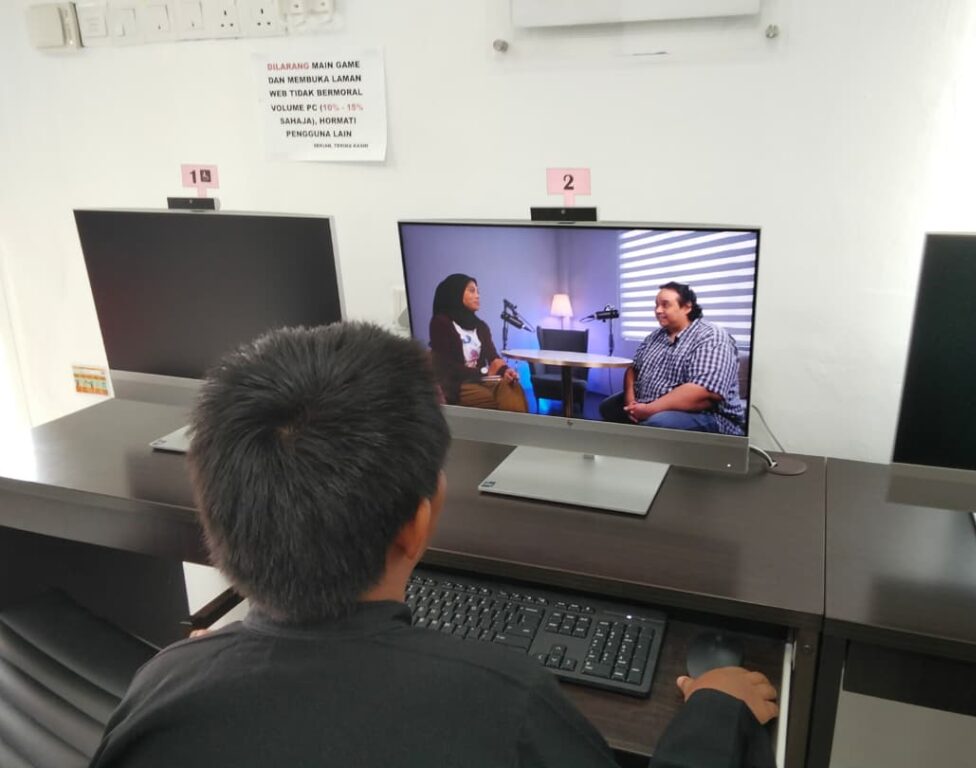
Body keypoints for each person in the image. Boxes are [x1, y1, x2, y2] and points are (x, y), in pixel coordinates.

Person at [90, 323, 777, 768]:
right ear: (417, 525)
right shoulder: (506, 703)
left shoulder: (161, 685)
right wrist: (715, 710)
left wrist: (196, 662)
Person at [600, 282, 746, 435]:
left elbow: (704, 393)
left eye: (665, 305)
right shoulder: (655, 336)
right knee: (608, 407)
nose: (658, 310)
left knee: (657, 423)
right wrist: (631, 403)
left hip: (706, 415)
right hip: (650, 402)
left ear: (687, 307)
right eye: (656, 305)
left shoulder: (712, 337)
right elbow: (633, 369)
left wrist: (648, 410)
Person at [429, 272, 528, 412]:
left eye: (478, 291)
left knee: (512, 386)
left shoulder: (481, 326)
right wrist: (484, 371)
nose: (477, 296)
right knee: (494, 400)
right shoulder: (441, 323)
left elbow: (493, 357)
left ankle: (514, 425)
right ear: (456, 293)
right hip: (457, 384)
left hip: (482, 380)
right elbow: (447, 366)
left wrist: (506, 371)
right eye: (472, 291)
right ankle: (514, 425)